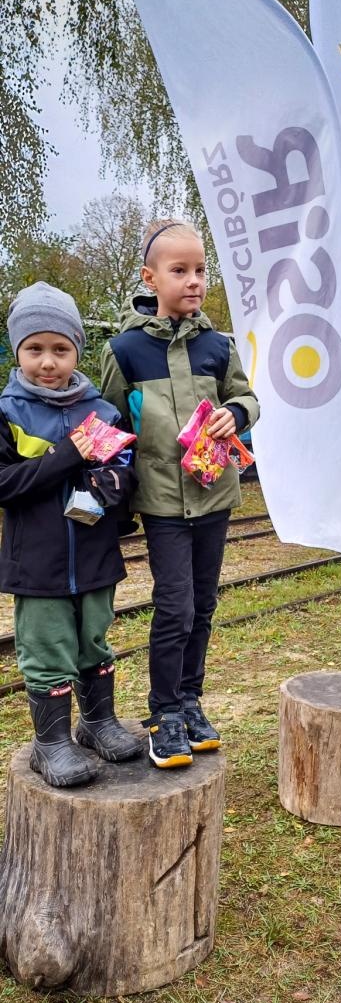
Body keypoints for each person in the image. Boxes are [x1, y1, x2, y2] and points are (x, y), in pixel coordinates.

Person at [101, 219, 260, 769]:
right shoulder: (124, 350)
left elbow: (247, 399)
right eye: (180, 270)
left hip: (213, 495)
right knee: (175, 606)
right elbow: (109, 422)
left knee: (204, 602)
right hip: (163, 503)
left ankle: (190, 700)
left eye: (200, 270)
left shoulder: (219, 347)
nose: (194, 281)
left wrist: (233, 414)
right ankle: (163, 711)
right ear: (150, 277)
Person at [0, 281, 142, 788]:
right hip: (37, 564)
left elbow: (128, 471)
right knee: (47, 647)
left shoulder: (102, 412)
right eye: (34, 349)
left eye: (60, 349)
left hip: (96, 555)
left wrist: (114, 484)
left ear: (76, 351)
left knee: (93, 640)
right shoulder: (8, 412)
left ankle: (97, 722)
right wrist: (69, 455)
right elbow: (5, 484)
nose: (47, 362)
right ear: (18, 351)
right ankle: (50, 743)